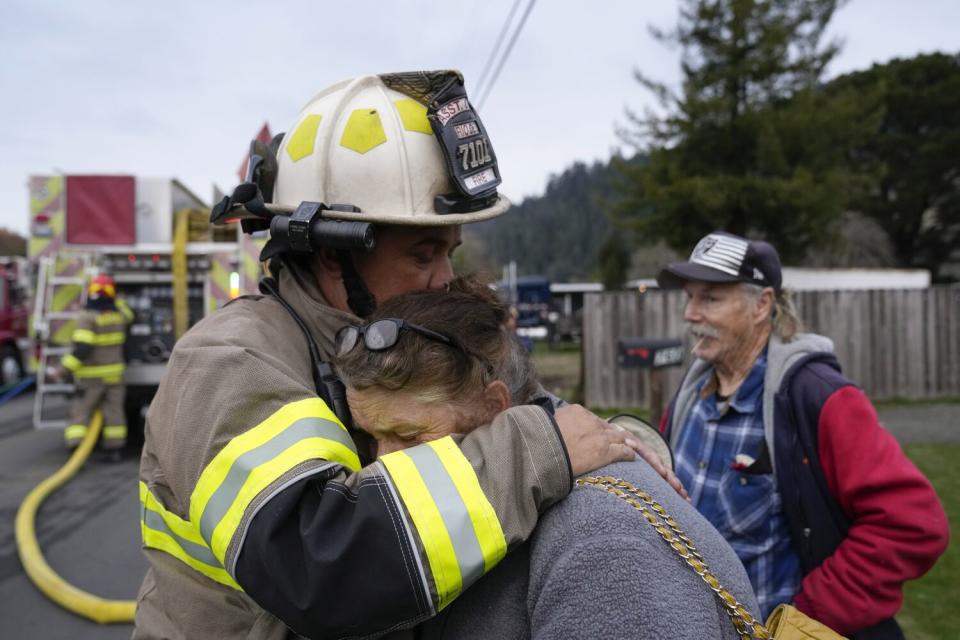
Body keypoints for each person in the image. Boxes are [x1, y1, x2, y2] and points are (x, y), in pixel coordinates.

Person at [134, 71, 677, 639]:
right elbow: (321, 568)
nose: (445, 279)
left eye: (449, 252)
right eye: (423, 254)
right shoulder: (231, 360)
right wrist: (538, 448)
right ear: (332, 253)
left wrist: (613, 438)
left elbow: (532, 414)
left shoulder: (399, 338)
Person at [335, 275, 761, 640]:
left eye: (408, 436)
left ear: (495, 406)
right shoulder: (493, 502)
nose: (381, 466)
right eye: (372, 437)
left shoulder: (601, 545)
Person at [656, 231, 949, 639]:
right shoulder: (692, 390)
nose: (690, 313)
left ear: (761, 305)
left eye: (710, 298)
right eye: (689, 297)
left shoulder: (817, 396)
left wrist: (807, 618)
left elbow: (913, 524)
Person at [58, 273, 133, 453]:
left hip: (91, 378)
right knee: (114, 412)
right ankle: (114, 449)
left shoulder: (87, 318)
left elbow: (83, 348)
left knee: (81, 412)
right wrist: (120, 301)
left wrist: (64, 368)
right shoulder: (119, 316)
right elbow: (130, 315)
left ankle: (76, 447)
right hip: (115, 376)